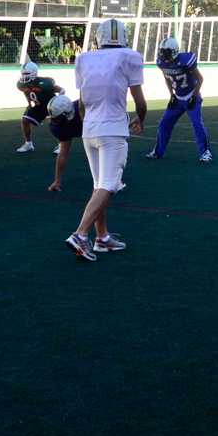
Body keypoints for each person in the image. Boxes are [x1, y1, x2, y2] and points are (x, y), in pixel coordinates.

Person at [64, 18, 146, 261]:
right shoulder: (130, 56)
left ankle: (102, 238)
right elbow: (138, 98)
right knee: (110, 185)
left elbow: (82, 103)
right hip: (112, 129)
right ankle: (81, 235)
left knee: (99, 185)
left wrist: (87, 125)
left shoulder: (83, 58)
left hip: (89, 128)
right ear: (124, 37)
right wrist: (141, 118)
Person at [146, 37, 212, 162]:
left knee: (197, 124)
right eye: (163, 52)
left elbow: (200, 79)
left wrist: (194, 97)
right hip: (178, 97)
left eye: (167, 52)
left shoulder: (185, 61)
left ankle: (206, 153)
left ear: (175, 51)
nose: (164, 55)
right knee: (164, 122)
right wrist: (171, 95)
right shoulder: (162, 63)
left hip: (191, 96)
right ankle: (158, 151)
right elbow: (167, 78)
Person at [16, 62, 65, 154]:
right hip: (38, 105)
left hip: (50, 105)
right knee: (25, 120)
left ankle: (61, 145)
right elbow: (27, 93)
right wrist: (30, 103)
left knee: (53, 122)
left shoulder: (44, 83)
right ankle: (28, 144)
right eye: (23, 74)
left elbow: (61, 90)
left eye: (26, 74)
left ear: (34, 73)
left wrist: (59, 103)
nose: (24, 76)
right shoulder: (22, 85)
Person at [46, 93, 84, 192]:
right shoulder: (58, 125)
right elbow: (63, 154)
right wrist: (57, 181)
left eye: (59, 117)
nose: (57, 121)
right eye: (55, 118)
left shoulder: (85, 107)